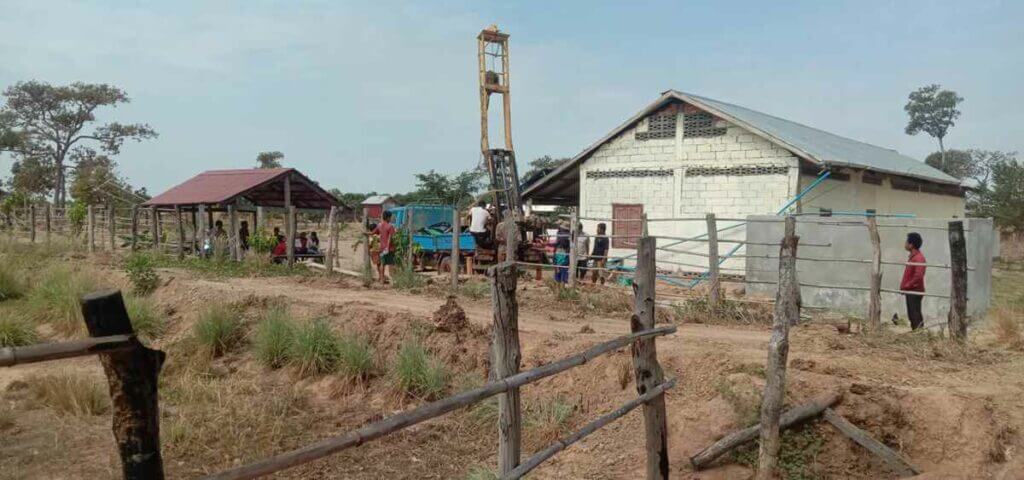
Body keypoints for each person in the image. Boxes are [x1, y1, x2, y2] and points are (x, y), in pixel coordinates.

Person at [900, 232, 927, 330]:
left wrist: (907, 285)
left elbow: (918, 276)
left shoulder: (918, 258)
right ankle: (916, 332)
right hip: (911, 290)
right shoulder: (913, 257)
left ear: (911, 244)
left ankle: (919, 333)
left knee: (915, 313)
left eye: (906, 242)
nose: (905, 244)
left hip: (914, 290)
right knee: (912, 313)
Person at [370, 211, 397, 284]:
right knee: (391, 263)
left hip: (382, 249)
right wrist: (388, 247)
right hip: (389, 248)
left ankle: (381, 280)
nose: (391, 219)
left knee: (382, 264)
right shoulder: (390, 226)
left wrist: (365, 233)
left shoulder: (379, 225)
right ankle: (393, 280)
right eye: (390, 217)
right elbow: (391, 238)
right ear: (388, 217)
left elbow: (373, 233)